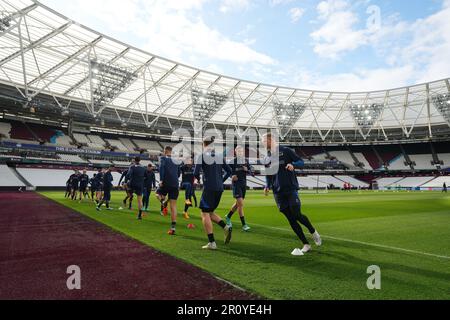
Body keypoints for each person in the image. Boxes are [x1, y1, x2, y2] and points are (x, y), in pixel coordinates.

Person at [262, 133, 322, 255]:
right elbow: (268, 175)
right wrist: (267, 186)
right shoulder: (266, 157)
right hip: (277, 192)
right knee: (290, 219)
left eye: (263, 141)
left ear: (270, 139)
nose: (262, 143)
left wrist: (293, 165)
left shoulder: (286, 151)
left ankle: (313, 231)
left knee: (296, 214)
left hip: (290, 188)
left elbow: (301, 162)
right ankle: (306, 244)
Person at [194, 137, 233, 250]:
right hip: (219, 188)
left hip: (209, 187)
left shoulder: (201, 155)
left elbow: (196, 173)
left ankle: (212, 243)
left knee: (204, 213)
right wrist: (221, 180)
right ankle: (225, 227)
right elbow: (229, 171)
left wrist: (200, 181)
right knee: (210, 212)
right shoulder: (220, 156)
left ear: (203, 144)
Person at [225, 146, 253, 232]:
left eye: (241, 151)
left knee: (238, 204)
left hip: (243, 184)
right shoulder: (232, 162)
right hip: (236, 185)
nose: (240, 152)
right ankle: (244, 225)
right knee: (240, 204)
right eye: (239, 151)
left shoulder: (245, 161)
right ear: (235, 152)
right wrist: (231, 176)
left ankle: (228, 216)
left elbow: (251, 170)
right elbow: (227, 172)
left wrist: (247, 169)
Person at [157, 147, 181, 235]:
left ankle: (163, 202)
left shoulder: (163, 158)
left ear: (165, 151)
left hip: (166, 182)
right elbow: (178, 173)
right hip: (175, 184)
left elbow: (162, 168)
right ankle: (173, 228)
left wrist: (161, 180)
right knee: (173, 206)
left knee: (157, 194)